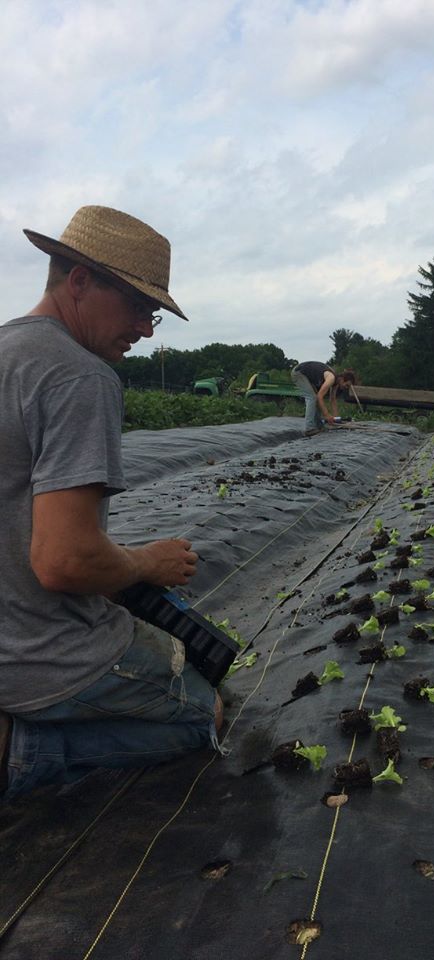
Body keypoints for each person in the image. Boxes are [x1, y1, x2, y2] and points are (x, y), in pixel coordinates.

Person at [0, 205, 222, 802]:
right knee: (209, 720)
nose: (147, 330)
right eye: (139, 308)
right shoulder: (79, 375)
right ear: (79, 282)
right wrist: (144, 563)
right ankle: (17, 751)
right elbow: (65, 563)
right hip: (40, 659)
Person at [290, 361, 356, 436]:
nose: (346, 388)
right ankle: (309, 428)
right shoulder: (331, 378)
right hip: (299, 373)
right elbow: (320, 397)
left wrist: (336, 419)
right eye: (346, 385)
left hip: (308, 377)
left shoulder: (335, 383)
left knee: (316, 399)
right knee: (312, 397)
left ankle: (319, 426)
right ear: (342, 379)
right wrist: (327, 415)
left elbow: (333, 400)